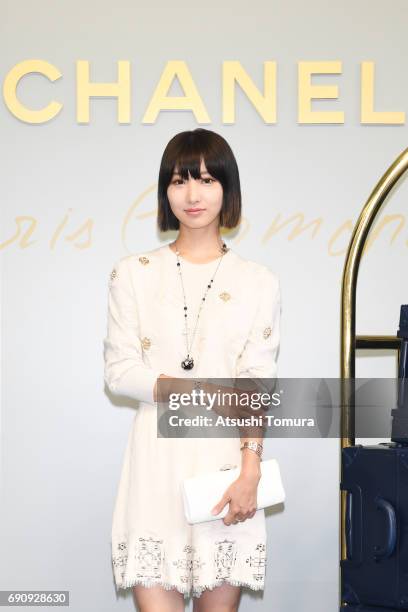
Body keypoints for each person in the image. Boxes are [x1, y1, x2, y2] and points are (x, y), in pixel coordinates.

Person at [103, 128, 281, 612]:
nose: (193, 194)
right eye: (180, 181)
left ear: (228, 189)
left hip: (225, 469)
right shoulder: (132, 272)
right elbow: (120, 372)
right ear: (165, 192)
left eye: (205, 180)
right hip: (154, 467)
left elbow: (257, 382)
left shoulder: (257, 281)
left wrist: (251, 471)